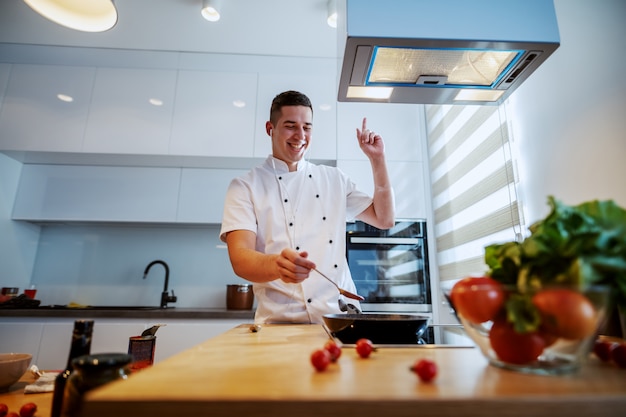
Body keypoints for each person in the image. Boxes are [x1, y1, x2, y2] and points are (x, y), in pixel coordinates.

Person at [220, 90, 395, 324]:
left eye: (307, 127)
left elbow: (384, 219)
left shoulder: (334, 179)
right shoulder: (245, 186)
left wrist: (378, 160)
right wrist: (276, 265)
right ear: (270, 128)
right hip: (281, 325)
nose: (300, 135)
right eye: (290, 126)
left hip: (340, 320)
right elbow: (240, 259)